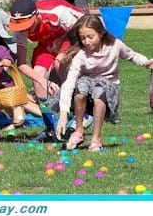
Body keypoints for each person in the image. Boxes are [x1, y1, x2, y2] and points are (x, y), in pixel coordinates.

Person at [56, 14, 153, 152]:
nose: (86, 42)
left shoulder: (114, 45)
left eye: (90, 37)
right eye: (83, 38)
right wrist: (64, 113)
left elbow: (131, 55)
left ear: (101, 33)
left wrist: (146, 62)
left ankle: (96, 138)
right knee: (80, 88)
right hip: (88, 83)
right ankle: (78, 131)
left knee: (99, 92)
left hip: (108, 84)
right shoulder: (81, 55)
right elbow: (69, 82)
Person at [9, 0, 84, 142]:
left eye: (27, 25)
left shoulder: (57, 12)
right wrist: (43, 81)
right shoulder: (19, 28)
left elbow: (82, 33)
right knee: (37, 77)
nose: (24, 30)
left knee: (60, 63)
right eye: (21, 27)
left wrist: (62, 48)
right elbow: (22, 64)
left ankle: (81, 115)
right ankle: (51, 128)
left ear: (36, 15)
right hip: (46, 44)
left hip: (71, 35)